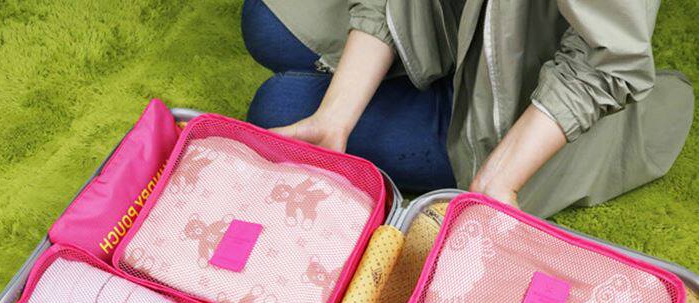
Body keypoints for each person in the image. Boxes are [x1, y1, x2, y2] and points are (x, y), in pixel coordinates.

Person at [241, 0, 693, 217]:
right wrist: (334, 118)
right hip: (448, 18)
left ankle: (445, 118)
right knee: (263, 19)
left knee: (277, 107)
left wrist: (498, 181)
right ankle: (418, 74)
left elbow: (603, 60)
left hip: (520, 102)